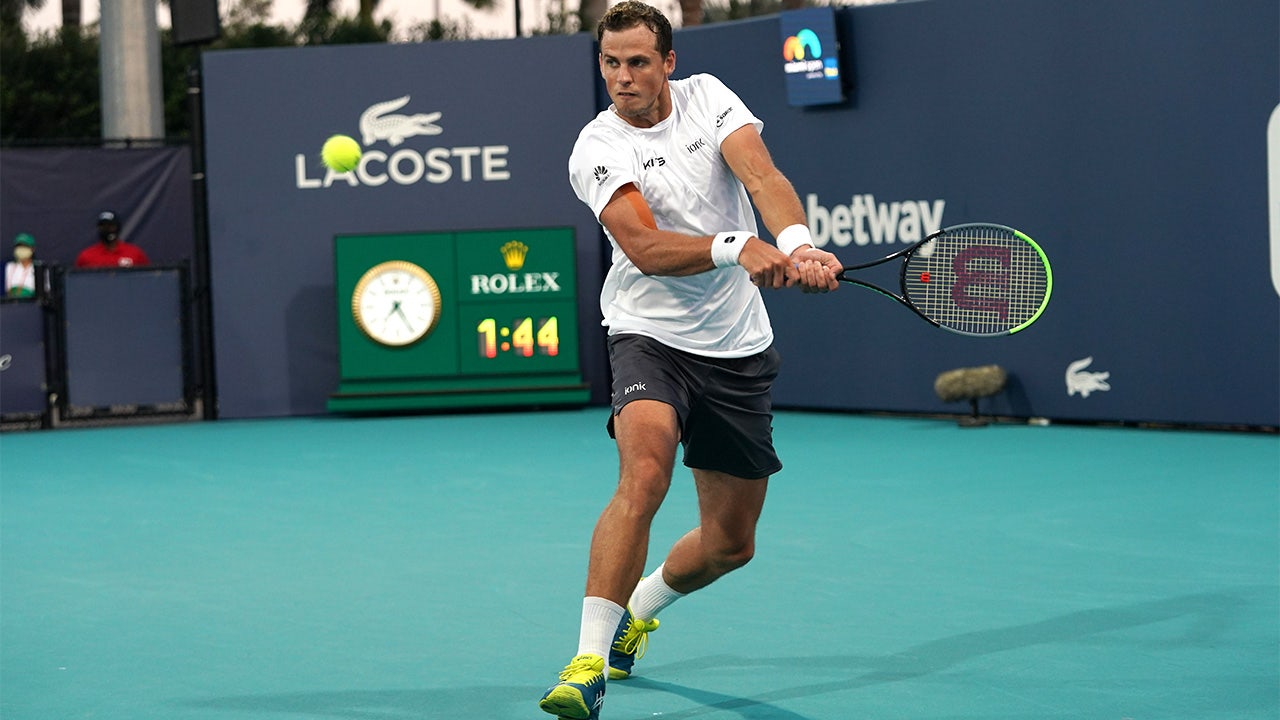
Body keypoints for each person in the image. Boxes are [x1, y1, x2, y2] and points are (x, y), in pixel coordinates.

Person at [539, 3, 842, 718]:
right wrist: (737, 247)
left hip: (736, 346)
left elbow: (761, 176)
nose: (622, 77)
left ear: (668, 62)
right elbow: (643, 248)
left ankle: (639, 612)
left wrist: (796, 243)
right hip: (647, 333)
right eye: (611, 63)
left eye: (638, 62)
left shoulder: (710, 98)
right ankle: (586, 661)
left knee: (731, 544)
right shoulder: (596, 146)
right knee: (644, 474)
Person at [75, 211, 150, 268]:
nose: (107, 229)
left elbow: (147, 279)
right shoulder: (86, 256)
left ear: (118, 228)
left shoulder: (135, 253)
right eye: (103, 226)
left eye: (111, 226)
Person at [5, 233, 38, 298]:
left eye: (25, 246)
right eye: (19, 246)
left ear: (32, 249)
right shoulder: (10, 267)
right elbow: (7, 290)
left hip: (32, 304)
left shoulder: (38, 267)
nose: (21, 249)